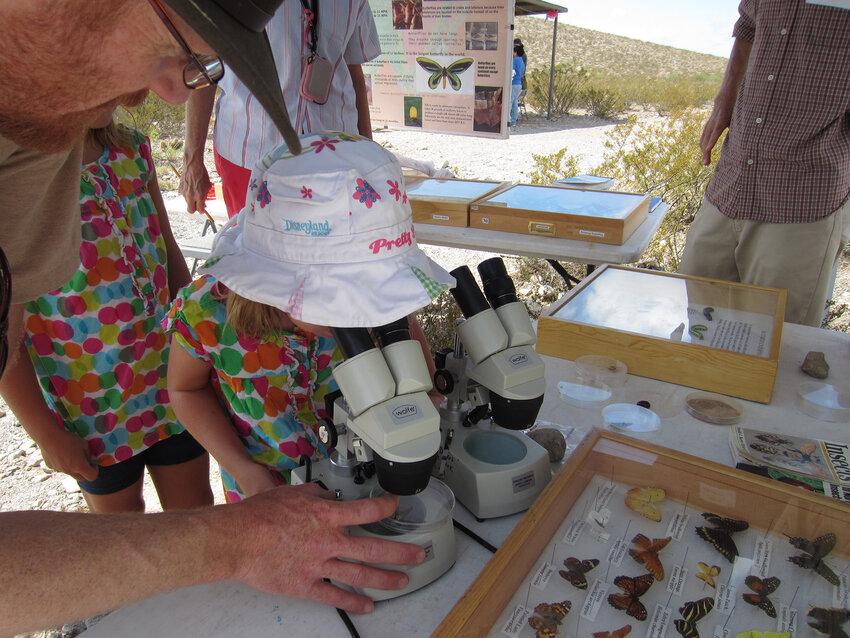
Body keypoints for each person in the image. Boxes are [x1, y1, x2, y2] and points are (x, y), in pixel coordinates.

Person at [0, 1, 428, 633]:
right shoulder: (210, 315)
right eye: (178, 48)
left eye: (199, 66)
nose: (170, 93)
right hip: (102, 395)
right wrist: (240, 525)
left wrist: (234, 538)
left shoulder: (38, 143)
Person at [166, 132, 454, 502]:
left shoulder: (376, 311)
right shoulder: (207, 312)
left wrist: (426, 394)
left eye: (376, 296)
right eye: (346, 296)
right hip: (263, 492)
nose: (367, 313)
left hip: (364, 474)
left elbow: (403, 324)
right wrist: (245, 470)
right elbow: (185, 389)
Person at [0, 112, 214, 514]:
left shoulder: (131, 149)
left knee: (195, 513)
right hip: (92, 410)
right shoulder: (19, 179)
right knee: (121, 533)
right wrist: (44, 432)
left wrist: (202, 348)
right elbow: (5, 331)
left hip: (172, 384)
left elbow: (167, 250)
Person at [678, 0, 850, 327]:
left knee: (778, 339)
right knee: (699, 320)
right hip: (732, 178)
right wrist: (724, 99)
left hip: (803, 195)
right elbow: (748, 24)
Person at [179, 0, 380, 218]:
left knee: (331, 249)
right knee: (254, 249)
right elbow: (204, 67)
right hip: (251, 154)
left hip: (336, 156)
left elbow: (354, 74)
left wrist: (370, 158)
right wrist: (192, 160)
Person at [510, 43, 526, 128]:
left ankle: (508, 120)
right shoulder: (522, 62)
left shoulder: (515, 60)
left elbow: (511, 71)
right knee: (515, 102)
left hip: (513, 83)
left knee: (510, 102)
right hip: (519, 83)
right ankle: (514, 120)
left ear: (515, 52)